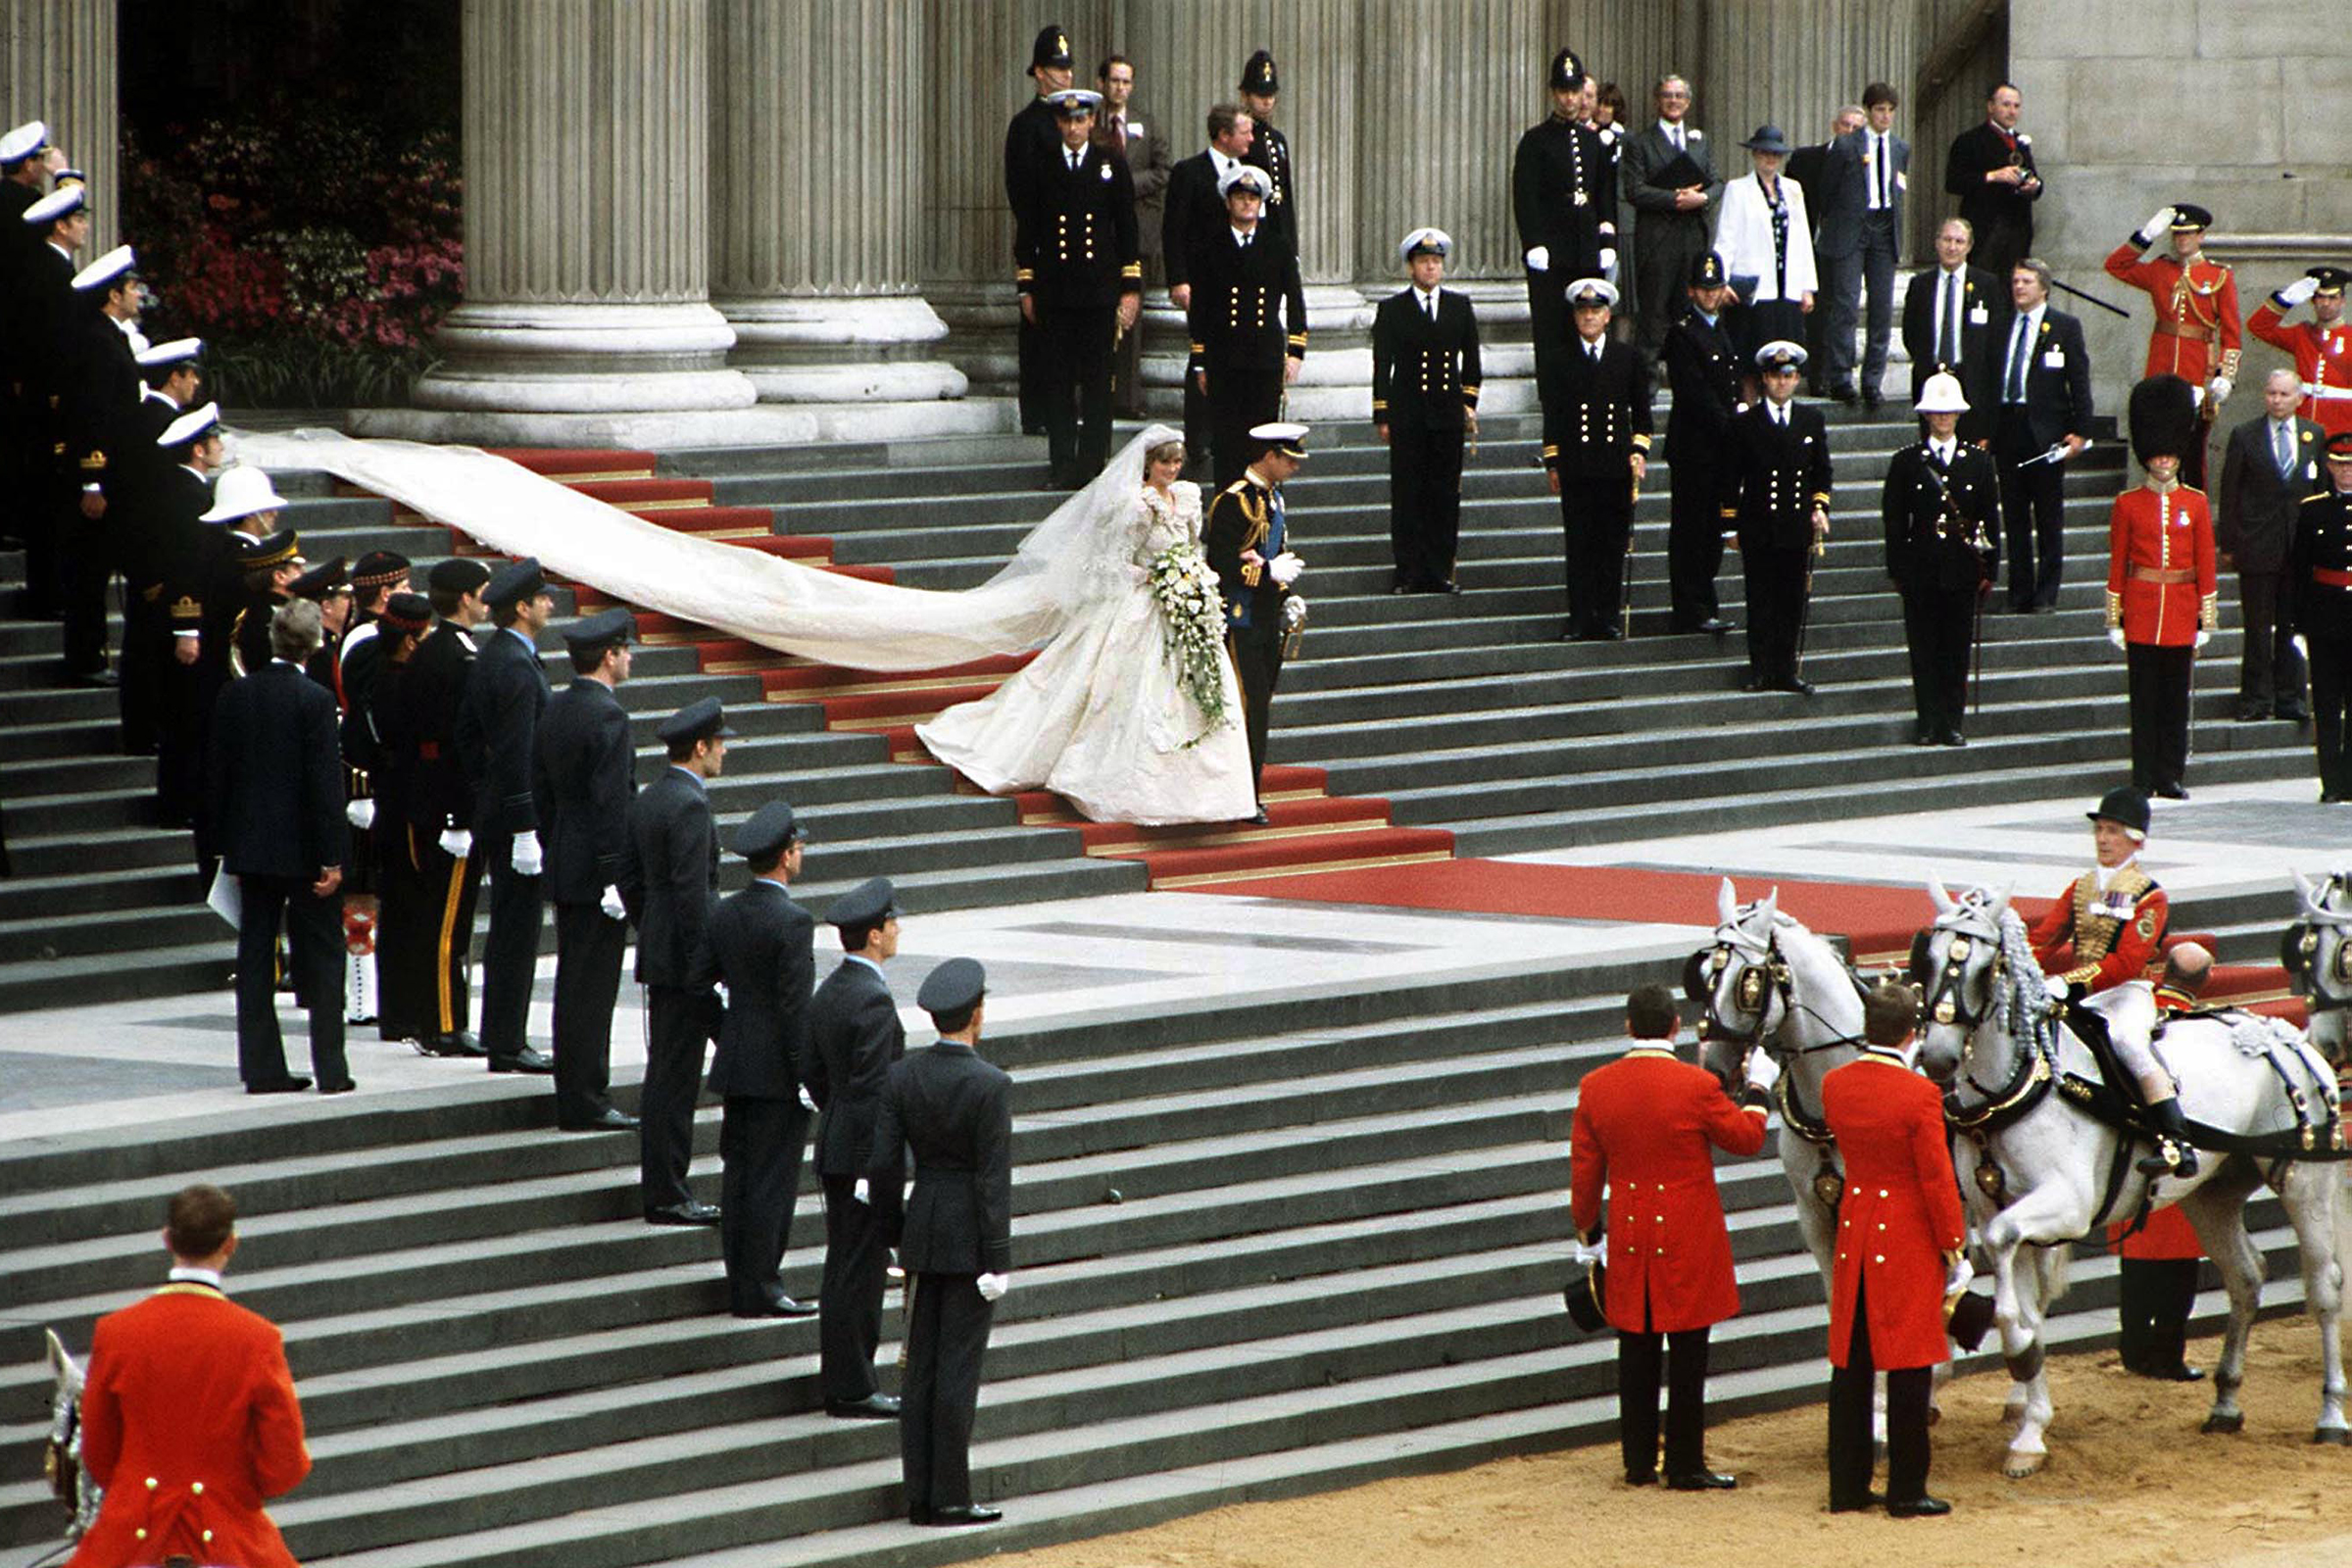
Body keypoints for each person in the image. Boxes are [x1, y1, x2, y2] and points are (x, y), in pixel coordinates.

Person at [917, 432, 1253, 823]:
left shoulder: (1187, 499)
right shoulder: (1135, 506)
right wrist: (1156, 577)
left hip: (1182, 605)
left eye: (1177, 462)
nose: (1172, 470)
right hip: (1143, 603)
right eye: (1165, 463)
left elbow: (1194, 547)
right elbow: (1110, 563)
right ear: (1148, 465)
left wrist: (1192, 575)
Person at [1568, 983, 1767, 1490]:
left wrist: (1590, 1235)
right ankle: (1683, 1462)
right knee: (1688, 1355)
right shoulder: (1695, 1085)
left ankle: (1637, 1463)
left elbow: (1585, 1174)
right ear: (1675, 1026)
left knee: (1635, 1351)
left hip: (1631, 1230)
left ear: (1629, 1026)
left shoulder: (1597, 1085)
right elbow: (1745, 1139)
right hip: (1688, 1234)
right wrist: (1760, 1093)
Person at [65, 1185, 310, 1568]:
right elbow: (284, 1465)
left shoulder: (116, 1331)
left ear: (167, 1239)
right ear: (231, 1244)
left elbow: (98, 1449)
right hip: (225, 1531)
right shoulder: (257, 1339)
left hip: (133, 1535)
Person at [874, 956, 1014, 1528]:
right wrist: (998, 1258)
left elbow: (885, 1166)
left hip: (922, 1231)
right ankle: (950, 1495)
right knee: (957, 1373)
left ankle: (920, 1494)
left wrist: (893, 1237)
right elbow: (992, 1179)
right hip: (967, 1243)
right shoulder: (990, 1084)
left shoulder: (903, 1075)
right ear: (976, 1015)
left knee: (921, 1372)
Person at [1819, 983, 1968, 1518]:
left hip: (1856, 1229)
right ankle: (1907, 1488)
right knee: (1909, 1363)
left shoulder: (1836, 1084)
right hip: (1904, 1234)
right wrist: (1955, 1248)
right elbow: (1936, 1180)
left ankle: (1848, 1485)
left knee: (1852, 1365)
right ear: (1913, 1033)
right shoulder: (1920, 1094)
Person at [207, 599, 353, 1095]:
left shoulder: (236, 695)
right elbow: (324, 785)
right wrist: (333, 856)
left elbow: (219, 778)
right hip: (305, 851)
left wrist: (225, 849)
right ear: (313, 645)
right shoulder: (313, 700)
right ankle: (331, 1069)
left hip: (251, 848)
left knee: (254, 958)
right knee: (325, 956)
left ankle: (262, 1068)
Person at [700, 801, 820, 1319]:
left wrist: (727, 1035)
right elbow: (795, 1008)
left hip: (737, 1065)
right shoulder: (792, 921)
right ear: (785, 857)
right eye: (797, 850)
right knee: (772, 1184)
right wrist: (804, 1073)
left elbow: (701, 981)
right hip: (775, 1073)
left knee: (740, 1177)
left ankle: (741, 1284)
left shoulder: (726, 911)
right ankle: (765, 1285)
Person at [2030, 786, 2188, 1174]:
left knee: (2128, 1043)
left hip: (2126, 993)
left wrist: (2069, 983)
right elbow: (2045, 938)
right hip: (2084, 993)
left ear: (2135, 840)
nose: (2102, 839)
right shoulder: (2082, 887)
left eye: (2113, 831)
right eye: (2099, 830)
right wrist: (2015, 962)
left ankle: (2175, 1141)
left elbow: (2127, 962)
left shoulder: (2150, 895)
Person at [622, 696, 734, 1228]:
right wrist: (704, 965)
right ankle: (668, 1191)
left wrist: (652, 931)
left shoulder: (651, 797)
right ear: (700, 747)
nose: (724, 751)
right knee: (675, 1080)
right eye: (719, 744)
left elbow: (630, 879)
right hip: (685, 963)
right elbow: (694, 895)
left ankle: (664, 1187)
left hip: (662, 953)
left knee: (664, 1074)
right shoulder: (690, 804)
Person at [452, 557, 559, 1076]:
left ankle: (502, 1035)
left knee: (511, 928)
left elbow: (470, 740)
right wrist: (521, 822)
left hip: (499, 809)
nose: (550, 604)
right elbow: (517, 752)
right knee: (516, 929)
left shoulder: (499, 656)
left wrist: (485, 792)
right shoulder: (514, 665)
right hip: (519, 817)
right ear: (522, 607)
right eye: (542, 598)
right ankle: (508, 1040)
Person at [536, 607, 642, 1131]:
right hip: (597, 872)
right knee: (592, 989)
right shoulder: (608, 717)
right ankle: (587, 1097)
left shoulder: (556, 708)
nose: (629, 659)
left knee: (573, 984)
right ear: (608, 656)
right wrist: (613, 874)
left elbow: (543, 794)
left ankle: (574, 1090)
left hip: (565, 859)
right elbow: (612, 803)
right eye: (625, 651)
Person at [806, 875, 907, 1419]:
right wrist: (876, 1163)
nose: (897, 930)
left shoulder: (834, 989)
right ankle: (852, 1385)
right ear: (873, 935)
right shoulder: (870, 998)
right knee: (860, 1272)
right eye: (891, 923)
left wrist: (840, 1120)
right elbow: (875, 1090)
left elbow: (815, 1073)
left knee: (846, 1265)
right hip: (863, 1155)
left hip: (838, 1143)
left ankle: (846, 1379)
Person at [385, 558, 492, 1058]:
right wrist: (457, 816)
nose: (488, 599)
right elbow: (443, 745)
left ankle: (438, 1019)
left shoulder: (445, 650)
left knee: (446, 917)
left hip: (436, 803)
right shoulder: (451, 657)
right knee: (448, 921)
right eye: (483, 592)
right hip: (445, 810)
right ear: (466, 599)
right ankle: (444, 1024)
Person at [1017, 87, 1142, 490]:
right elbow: (1028, 230)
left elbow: (1126, 229)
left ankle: (1093, 464)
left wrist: (1130, 288)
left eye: (1080, 120)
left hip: (1098, 293)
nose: (1073, 127)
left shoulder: (1110, 164)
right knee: (1057, 383)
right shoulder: (1042, 165)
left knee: (1097, 384)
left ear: (1092, 121)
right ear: (1058, 123)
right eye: (1067, 120)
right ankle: (1062, 464)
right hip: (1056, 294)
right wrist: (1027, 286)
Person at [2108, 375, 2218, 803]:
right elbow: (2118, 562)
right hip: (2140, 608)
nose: (2165, 462)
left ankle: (2170, 773)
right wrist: (2114, 616)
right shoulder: (2127, 504)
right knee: (2145, 699)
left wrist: (2204, 617)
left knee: (2175, 700)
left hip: (2179, 609)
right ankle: (2143, 773)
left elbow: (2205, 561)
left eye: (2170, 455)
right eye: (2158, 456)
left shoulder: (2195, 503)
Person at [2109, 943, 2213, 1383]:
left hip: (2130, 1156)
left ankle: (2133, 1349)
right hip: (2179, 1160)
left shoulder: (2132, 1016)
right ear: (2204, 981)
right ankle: (2167, 1356)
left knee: (2134, 1271)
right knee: (2176, 1278)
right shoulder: (2201, 1030)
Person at [1884, 372, 1999, 747]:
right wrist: (1898, 568)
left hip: (1962, 566)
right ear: (1927, 416)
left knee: (1955, 647)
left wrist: (1990, 568)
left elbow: (1989, 519)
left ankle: (1952, 720)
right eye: (1937, 412)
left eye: (1950, 412)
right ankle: (1927, 720)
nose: (1944, 418)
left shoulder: (1979, 462)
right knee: (1924, 647)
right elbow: (1895, 520)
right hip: (1922, 565)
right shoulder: (1907, 462)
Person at [1204, 422, 1310, 819]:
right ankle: (1242, 796)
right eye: (1289, 459)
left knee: (1261, 707)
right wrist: (1267, 575)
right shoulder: (1235, 501)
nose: (1294, 467)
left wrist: (1286, 595)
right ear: (1269, 456)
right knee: (1248, 708)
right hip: (1240, 617)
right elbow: (1221, 565)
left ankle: (1249, 790)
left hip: (1266, 617)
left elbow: (1276, 553)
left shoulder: (1275, 499)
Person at [1371, 227, 1481, 595]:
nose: (1430, 268)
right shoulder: (1392, 309)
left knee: (1444, 495)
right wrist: (1382, 414)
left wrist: (1468, 403)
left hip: (1446, 414)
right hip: (1408, 413)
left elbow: (1472, 361)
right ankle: (1408, 571)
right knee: (1408, 494)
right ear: (1411, 268)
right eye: (1423, 262)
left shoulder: (1459, 306)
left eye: (1436, 262)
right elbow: (1382, 364)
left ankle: (1440, 570)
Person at [1542, 277, 1652, 642]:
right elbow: (1554, 415)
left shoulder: (1627, 358)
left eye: (1595, 311)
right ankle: (1579, 617)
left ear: (1608, 316)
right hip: (1577, 465)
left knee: (1611, 543)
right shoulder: (1560, 358)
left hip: (1614, 465)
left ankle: (1606, 615)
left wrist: (1638, 452)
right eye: (1583, 311)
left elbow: (1642, 412)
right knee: (1580, 543)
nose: (1589, 317)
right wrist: (1553, 461)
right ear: (1575, 317)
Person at [1722, 341, 1832, 694]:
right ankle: (1761, 669)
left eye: (1788, 376)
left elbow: (1821, 471)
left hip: (1794, 524)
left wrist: (1819, 507)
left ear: (1797, 378)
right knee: (1760, 599)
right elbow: (1731, 477)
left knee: (1790, 599)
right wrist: (1729, 525)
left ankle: (1786, 669)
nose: (1781, 383)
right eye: (1774, 376)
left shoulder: (1811, 420)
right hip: (1758, 523)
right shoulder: (1746, 423)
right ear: (1764, 379)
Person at [1186, 163, 1306, 486]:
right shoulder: (1210, 248)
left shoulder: (1277, 246)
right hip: (1224, 357)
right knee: (1226, 440)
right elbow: (1199, 310)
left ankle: (1262, 513)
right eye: (1239, 197)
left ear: (1261, 203)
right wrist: (1200, 361)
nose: (1246, 204)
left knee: (1265, 440)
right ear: (1228, 202)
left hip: (1264, 356)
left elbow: (1295, 300)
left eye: (1253, 198)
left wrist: (1295, 351)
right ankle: (1228, 514)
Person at [2106, 203, 2241, 488]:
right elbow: (2115, 266)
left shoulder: (2219, 276)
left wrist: (2226, 376)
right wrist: (2145, 236)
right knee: (2156, 447)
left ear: (2201, 236)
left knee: (2192, 452)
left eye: (2189, 234)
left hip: (2196, 370)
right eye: (2177, 234)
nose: (2182, 240)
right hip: (2160, 368)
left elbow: (2231, 332)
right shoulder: (2160, 269)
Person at [355, 592, 439, 1048]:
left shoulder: (381, 672)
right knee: (409, 903)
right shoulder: (399, 683)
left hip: (394, 797)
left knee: (403, 903)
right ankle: (404, 1011)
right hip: (404, 800)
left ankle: (400, 1010)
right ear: (409, 641)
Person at [2217, 368, 2323, 721]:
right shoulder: (2245, 435)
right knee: (2258, 627)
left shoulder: (2314, 435)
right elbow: (2230, 493)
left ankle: (2290, 698)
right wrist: (2230, 542)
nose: (2276, 400)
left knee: (2292, 627)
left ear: (2299, 397)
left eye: (2283, 394)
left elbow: (2319, 493)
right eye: (2271, 393)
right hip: (2257, 546)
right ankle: (2255, 698)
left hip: (2299, 550)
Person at [58, 243, 142, 685]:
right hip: (100, 474)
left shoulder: (110, 336)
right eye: (132, 288)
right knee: (90, 570)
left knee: (95, 566)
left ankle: (90, 653)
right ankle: (85, 657)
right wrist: (93, 479)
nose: (138, 295)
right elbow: (91, 413)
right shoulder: (97, 343)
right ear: (113, 295)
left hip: (113, 471)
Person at [1513, 48, 1618, 394]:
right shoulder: (1535, 140)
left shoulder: (1593, 142)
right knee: (1552, 328)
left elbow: (1604, 197)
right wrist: (1533, 243)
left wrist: (1607, 242)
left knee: (1587, 325)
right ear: (1553, 93)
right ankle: (1554, 403)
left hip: (1585, 248)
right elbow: (1526, 197)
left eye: (1574, 91)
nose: (1569, 98)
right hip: (1551, 251)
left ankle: (1586, 395)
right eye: (1563, 91)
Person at [1993, 258, 2093, 612]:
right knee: (2015, 517)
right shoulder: (2003, 323)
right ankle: (2019, 591)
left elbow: (2079, 381)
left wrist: (2081, 431)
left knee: (2049, 517)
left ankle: (2046, 593)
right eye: (2016, 280)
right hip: (2009, 427)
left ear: (2044, 287)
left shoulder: (2064, 327)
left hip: (2047, 433)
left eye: (2027, 281)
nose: (2019, 287)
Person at [1161, 103, 1255, 477]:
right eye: (1244, 131)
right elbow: (1175, 230)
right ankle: (1197, 439)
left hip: (1239, 283)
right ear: (1223, 135)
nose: (1251, 137)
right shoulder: (1190, 172)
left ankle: (1227, 433)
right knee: (1201, 357)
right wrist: (1178, 279)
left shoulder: (1249, 175)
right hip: (1202, 282)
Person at [1660, 251, 1742, 635]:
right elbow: (1694, 392)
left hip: (1719, 445)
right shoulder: (1682, 332)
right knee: (1691, 529)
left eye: (1716, 288)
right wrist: (1731, 425)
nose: (1710, 295)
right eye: (1703, 289)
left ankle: (1704, 600)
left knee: (1712, 528)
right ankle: (1689, 606)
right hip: (1694, 446)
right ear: (1691, 291)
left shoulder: (1722, 329)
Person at [1813, 83, 1907, 408]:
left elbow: (1899, 188)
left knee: (1881, 307)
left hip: (1883, 226)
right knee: (1846, 304)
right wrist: (1838, 222)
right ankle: (1840, 376)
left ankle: (1872, 380)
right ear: (1868, 112)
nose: (1885, 116)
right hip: (1853, 226)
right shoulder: (1846, 146)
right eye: (1879, 109)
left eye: (1890, 110)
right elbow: (1826, 191)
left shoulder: (1899, 148)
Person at [1619, 75, 1721, 361]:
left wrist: (1702, 199)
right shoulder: (1641, 142)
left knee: (1690, 313)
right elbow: (1634, 189)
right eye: (1667, 95)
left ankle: (1687, 385)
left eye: (1679, 96)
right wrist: (1676, 199)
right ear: (1657, 101)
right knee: (1654, 316)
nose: (1673, 101)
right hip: (1657, 240)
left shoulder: (1700, 141)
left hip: (1693, 237)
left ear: (1687, 102)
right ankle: (1647, 391)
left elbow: (1717, 181)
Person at [1004, 24, 1075, 436]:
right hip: (1042, 243)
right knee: (1038, 333)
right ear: (1038, 72)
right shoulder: (1027, 125)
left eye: (1067, 68)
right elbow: (1021, 193)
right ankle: (1037, 414)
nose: (1064, 75)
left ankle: (1064, 410)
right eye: (1055, 68)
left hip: (1076, 248)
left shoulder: (1077, 119)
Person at [1095, 54, 1171, 420]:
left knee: (1131, 315)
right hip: (1098, 234)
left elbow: (1162, 171)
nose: (1120, 88)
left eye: (1126, 82)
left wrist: (1126, 185)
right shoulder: (1090, 121)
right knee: (1095, 314)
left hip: (1136, 232)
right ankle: (1094, 392)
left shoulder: (1147, 123)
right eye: (1114, 81)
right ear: (1102, 84)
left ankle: (1127, 398)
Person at [1712, 125, 1817, 380]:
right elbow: (1726, 238)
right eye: (1764, 153)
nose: (1770, 159)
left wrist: (1807, 286)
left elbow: (1802, 238)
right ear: (1754, 155)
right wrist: (1721, 281)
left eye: (1776, 154)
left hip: (1787, 289)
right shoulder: (1738, 189)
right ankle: (1751, 415)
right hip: (1754, 290)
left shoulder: (1793, 189)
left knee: (1783, 362)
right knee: (1751, 364)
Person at [2288, 431, 2352, 803]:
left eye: (2351, 467)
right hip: (2324, 617)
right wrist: (2297, 625)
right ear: (2329, 468)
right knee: (2327, 704)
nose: (2346, 474)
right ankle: (2331, 782)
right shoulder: (2313, 509)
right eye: (2340, 467)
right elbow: (2299, 571)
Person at [1899, 219, 2003, 445]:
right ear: (1937, 243)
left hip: (1972, 384)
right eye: (1947, 240)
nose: (1952, 247)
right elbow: (1910, 332)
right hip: (1931, 380)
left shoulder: (1987, 285)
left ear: (1969, 246)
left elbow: (1997, 339)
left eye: (1959, 241)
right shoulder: (1920, 284)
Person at [1944, 82, 2043, 286]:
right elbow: (1953, 182)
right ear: (1991, 107)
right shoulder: (1970, 140)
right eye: (2006, 105)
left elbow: (2035, 179)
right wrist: (1992, 176)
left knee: (2014, 290)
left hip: (2017, 230)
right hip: (1985, 230)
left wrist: (2034, 186)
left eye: (2016, 106)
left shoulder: (2021, 142)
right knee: (1982, 288)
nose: (2012, 111)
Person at [2248, 266, 2352, 438]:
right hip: (2304, 418)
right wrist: (2285, 300)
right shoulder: (2302, 333)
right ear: (2312, 300)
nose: (2326, 304)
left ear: (2343, 301)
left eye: (2333, 298)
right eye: (2320, 297)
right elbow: (2258, 327)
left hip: (2342, 422)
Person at [1238, 49, 1296, 263]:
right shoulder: (1242, 136)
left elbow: (1285, 195)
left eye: (1271, 95)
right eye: (1261, 95)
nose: (1267, 102)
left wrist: (1291, 245)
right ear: (1245, 96)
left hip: (1276, 223)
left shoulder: (1277, 139)